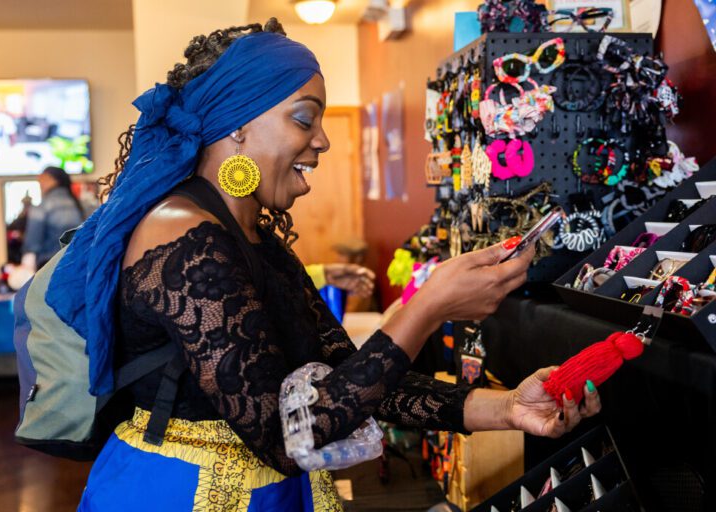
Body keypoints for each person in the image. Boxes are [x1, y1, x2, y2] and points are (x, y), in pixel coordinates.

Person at [44, 20, 600, 511]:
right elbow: (286, 435)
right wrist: (427, 307)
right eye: (304, 119)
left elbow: (350, 378)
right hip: (181, 493)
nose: (323, 141)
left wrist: (507, 409)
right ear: (237, 124)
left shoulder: (250, 234)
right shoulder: (181, 234)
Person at [21, 166, 84, 269]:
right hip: (78, 266)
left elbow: (32, 244)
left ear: (53, 180)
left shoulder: (42, 207)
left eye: (42, 180)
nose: (40, 184)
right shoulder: (81, 205)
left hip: (49, 268)